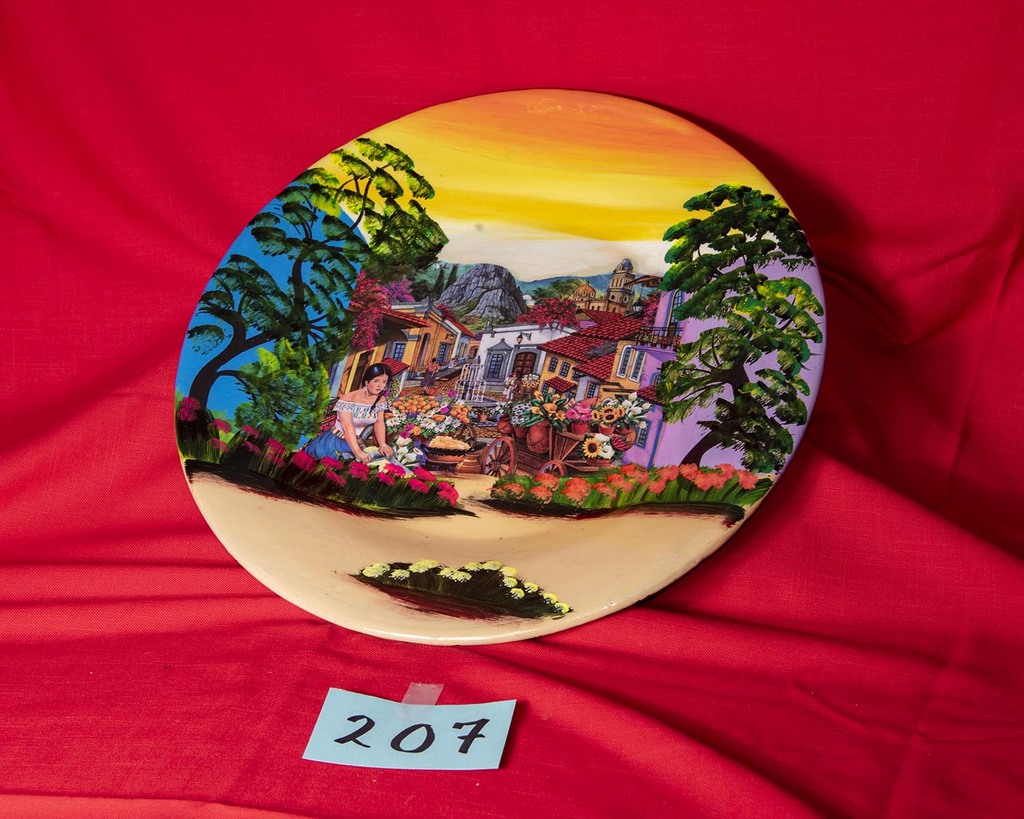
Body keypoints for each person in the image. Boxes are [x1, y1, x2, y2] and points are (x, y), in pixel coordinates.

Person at [304, 363, 395, 463]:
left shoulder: (380, 400)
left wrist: (383, 444)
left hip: (355, 441)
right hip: (336, 441)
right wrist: (357, 451)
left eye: (384, 382)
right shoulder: (348, 399)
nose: (380, 385)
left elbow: (379, 422)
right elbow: (347, 427)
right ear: (367, 381)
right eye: (376, 381)